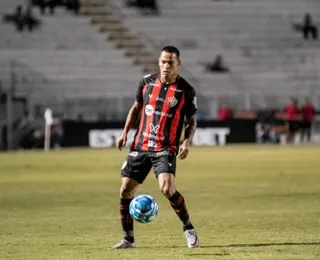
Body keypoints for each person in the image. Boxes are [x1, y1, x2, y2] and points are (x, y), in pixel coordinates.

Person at [111, 46, 199, 249]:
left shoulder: (186, 90)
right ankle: (128, 239)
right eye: (163, 61)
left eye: (170, 62)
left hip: (165, 147)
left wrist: (187, 141)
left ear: (178, 64)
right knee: (125, 190)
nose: (166, 66)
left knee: (167, 189)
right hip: (141, 145)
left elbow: (191, 121)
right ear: (159, 61)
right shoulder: (146, 82)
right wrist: (125, 132)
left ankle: (188, 229)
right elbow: (136, 108)